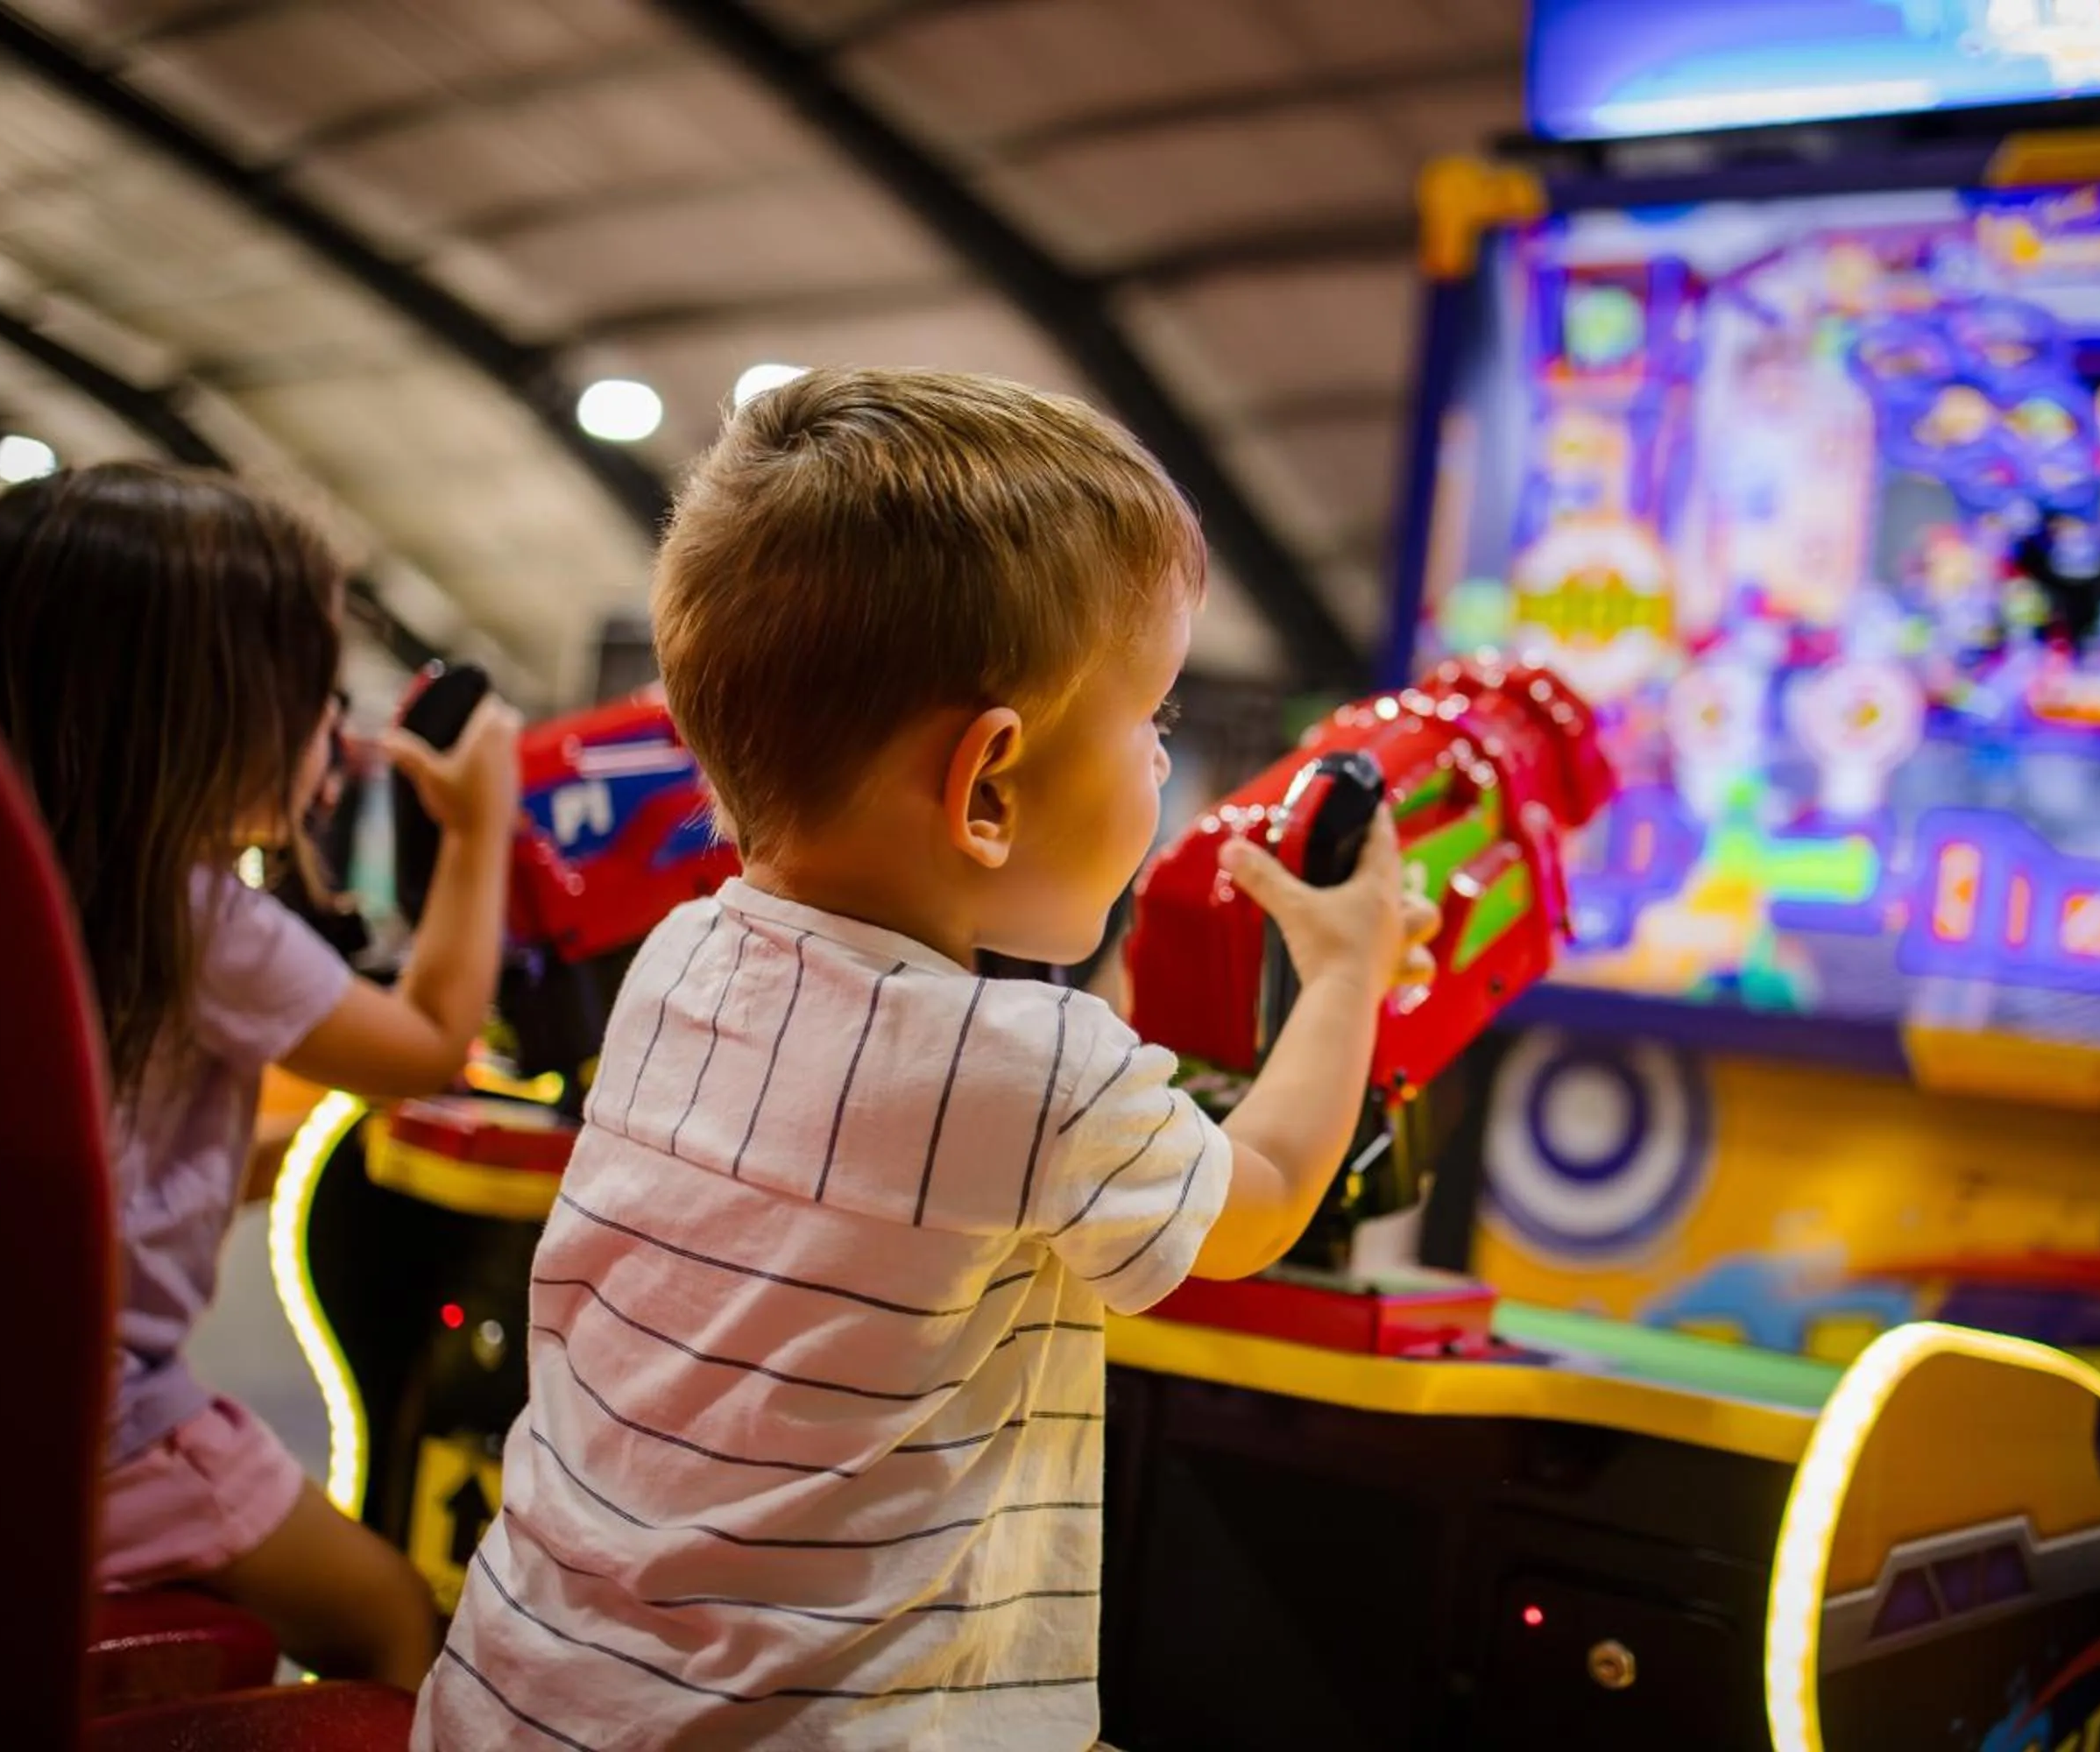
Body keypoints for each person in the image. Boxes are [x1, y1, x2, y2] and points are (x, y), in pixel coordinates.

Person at [415, 370, 1434, 1750]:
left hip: (521, 1701)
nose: (1161, 764)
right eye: (1157, 723)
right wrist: (1351, 974)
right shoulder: (1024, 1077)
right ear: (991, 786)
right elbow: (1254, 1197)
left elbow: (1012, 1087)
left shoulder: (679, 964)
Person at [0, 463, 520, 1690]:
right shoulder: (193, 919)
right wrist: (476, 830)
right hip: (102, 1429)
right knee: (393, 1618)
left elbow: (109, 1170)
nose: (336, 734)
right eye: (313, 697)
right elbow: (425, 1038)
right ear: (211, 720)